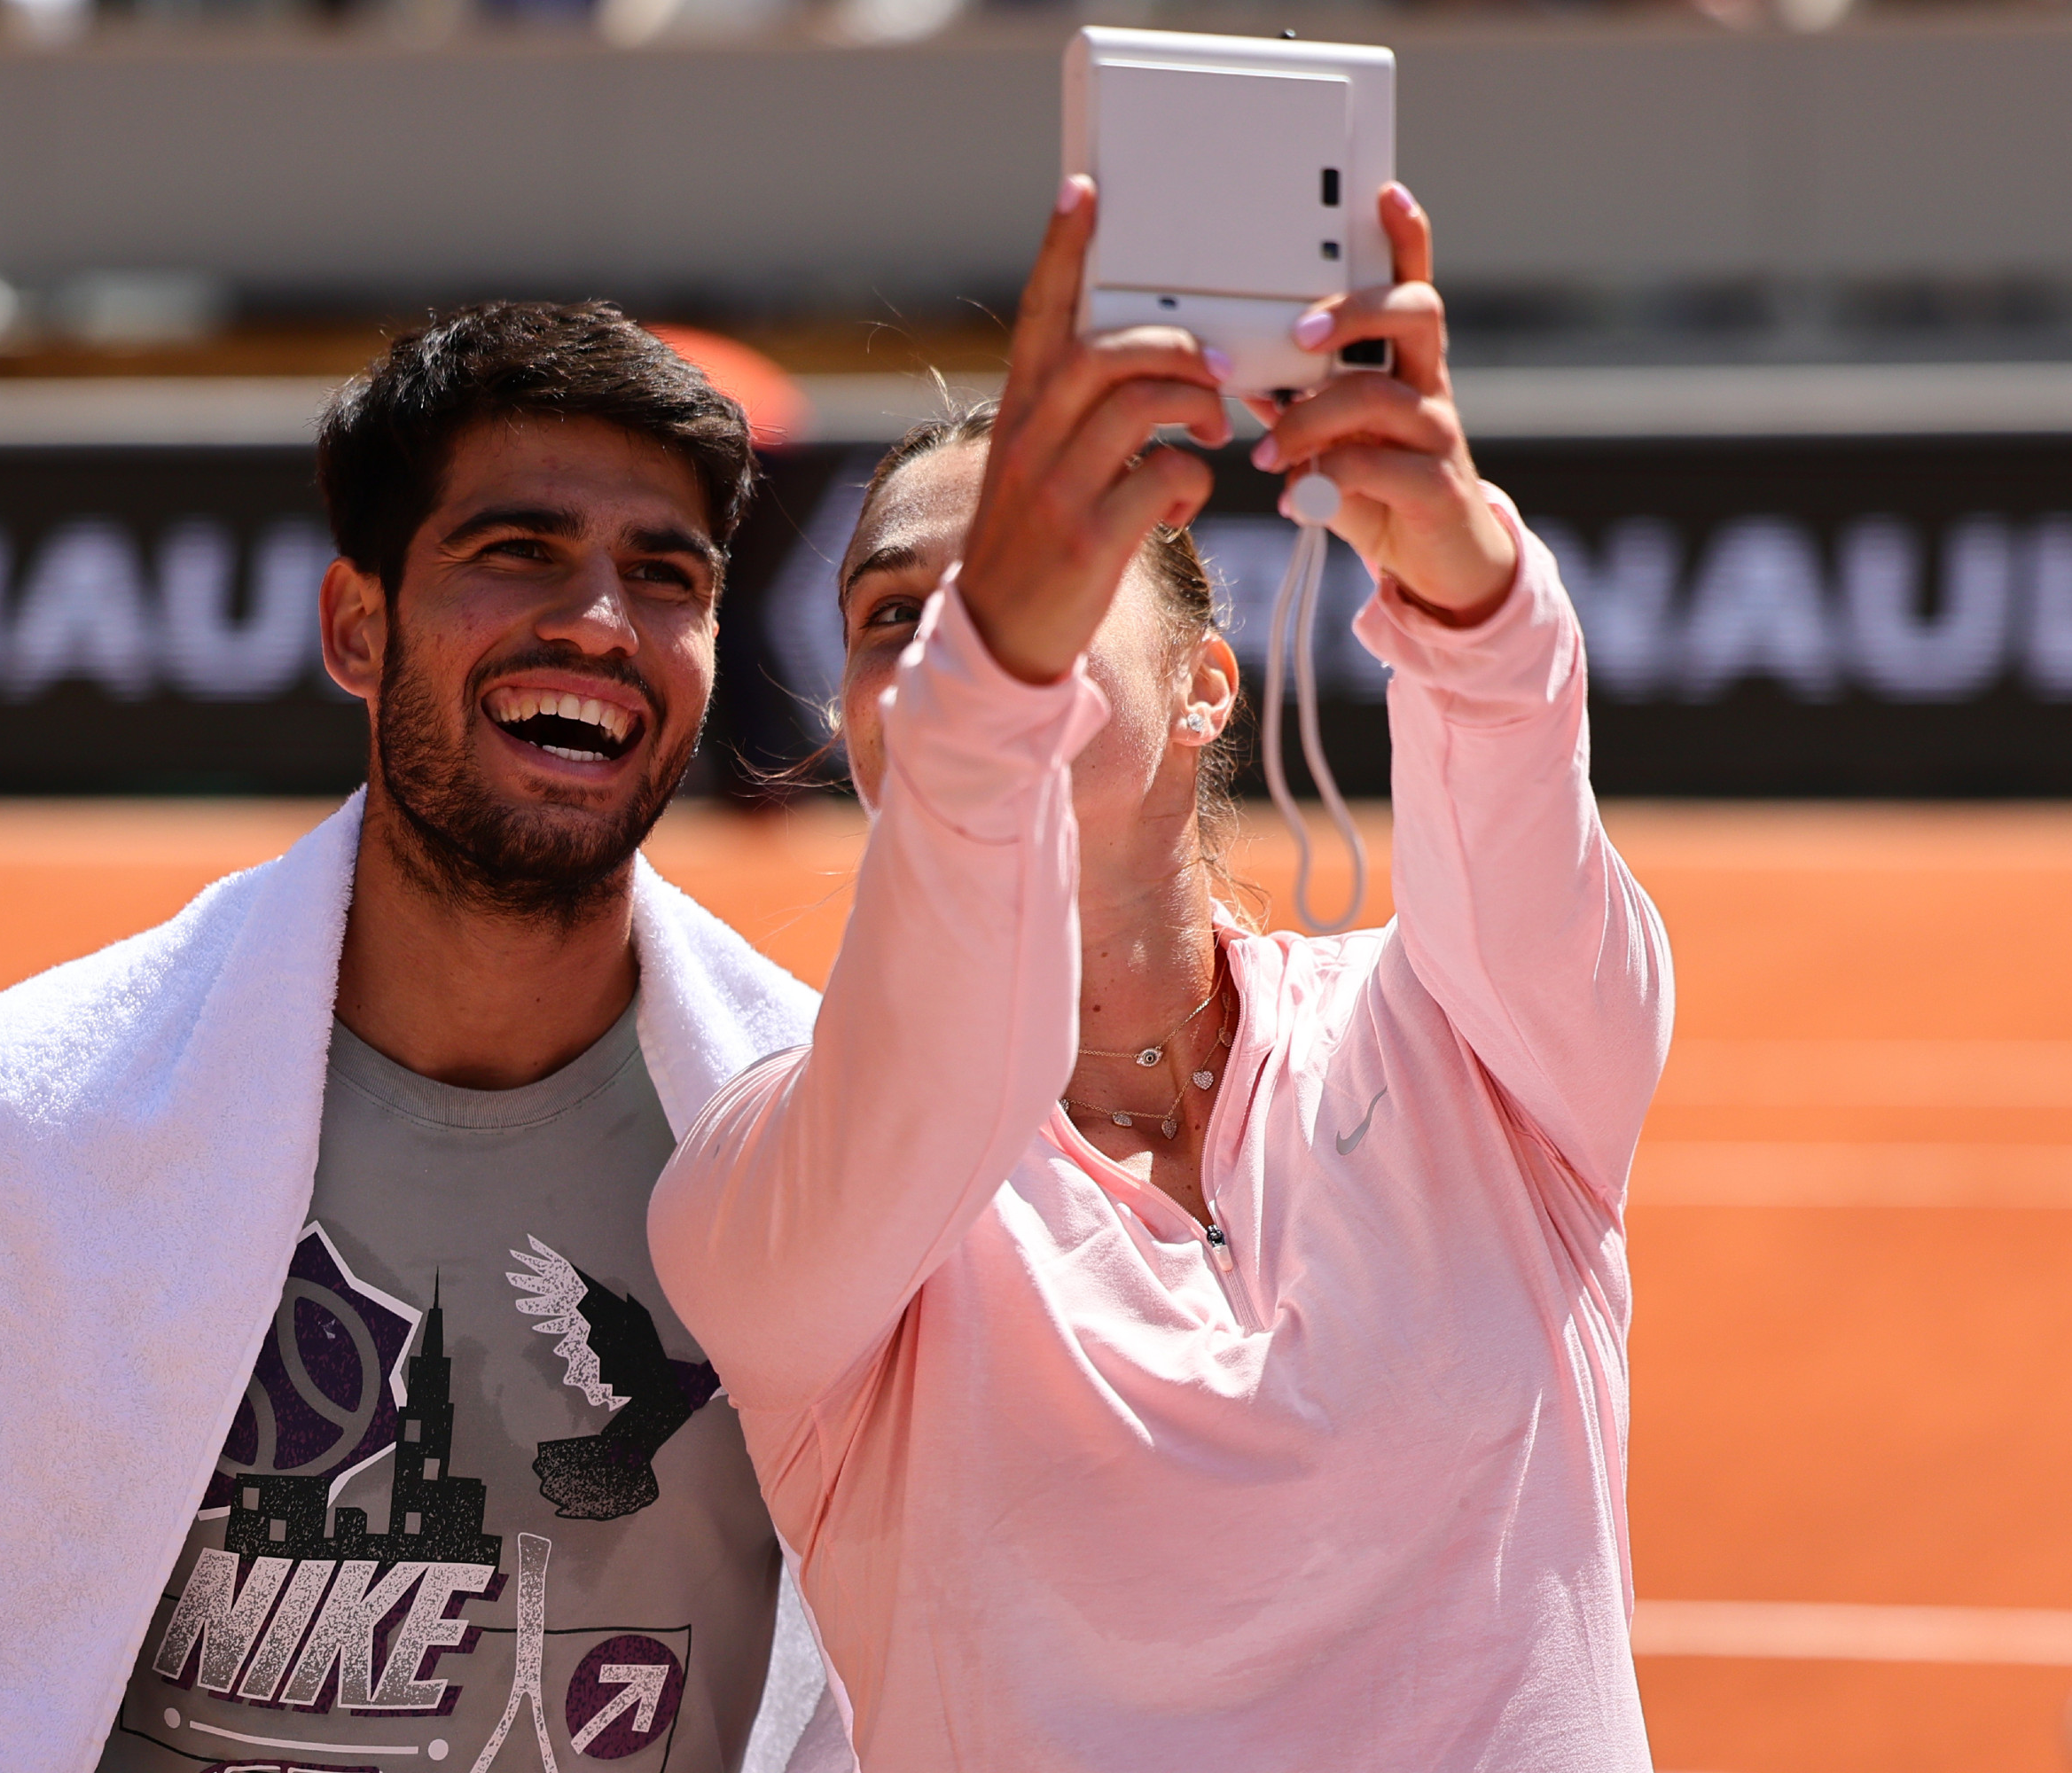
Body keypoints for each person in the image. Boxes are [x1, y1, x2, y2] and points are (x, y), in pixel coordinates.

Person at [0, 302, 850, 1773]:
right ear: (357, 628)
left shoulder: (840, 1164)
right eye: (517, 551)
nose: (599, 622)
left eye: (666, 575)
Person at [650, 178, 1673, 1772]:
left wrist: (1468, 586)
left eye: (1032, 577)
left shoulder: (1481, 1048)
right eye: (895, 618)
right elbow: (932, 1049)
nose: (961, 641)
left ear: (1205, 687)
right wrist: (995, 679)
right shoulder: (760, 1190)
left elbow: (1514, 772)